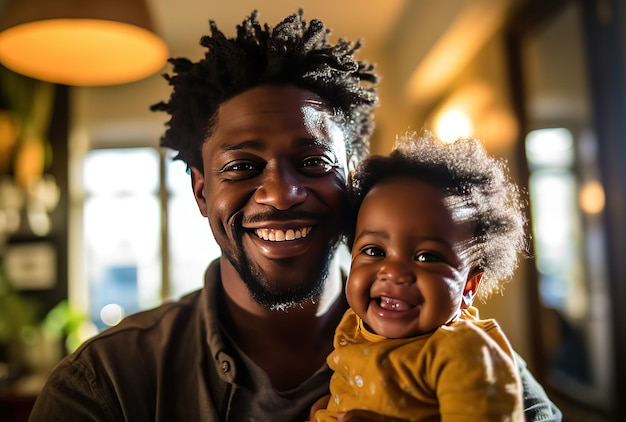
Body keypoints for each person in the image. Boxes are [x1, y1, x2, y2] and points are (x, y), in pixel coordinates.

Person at [28, 10, 561, 421]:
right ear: (199, 191)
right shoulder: (107, 385)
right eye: (241, 166)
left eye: (312, 162)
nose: (281, 194)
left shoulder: (470, 363)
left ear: (353, 183)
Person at [312, 131, 526, 421]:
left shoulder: (463, 352)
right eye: (374, 251)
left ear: (469, 286)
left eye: (427, 257)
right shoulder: (353, 327)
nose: (394, 272)